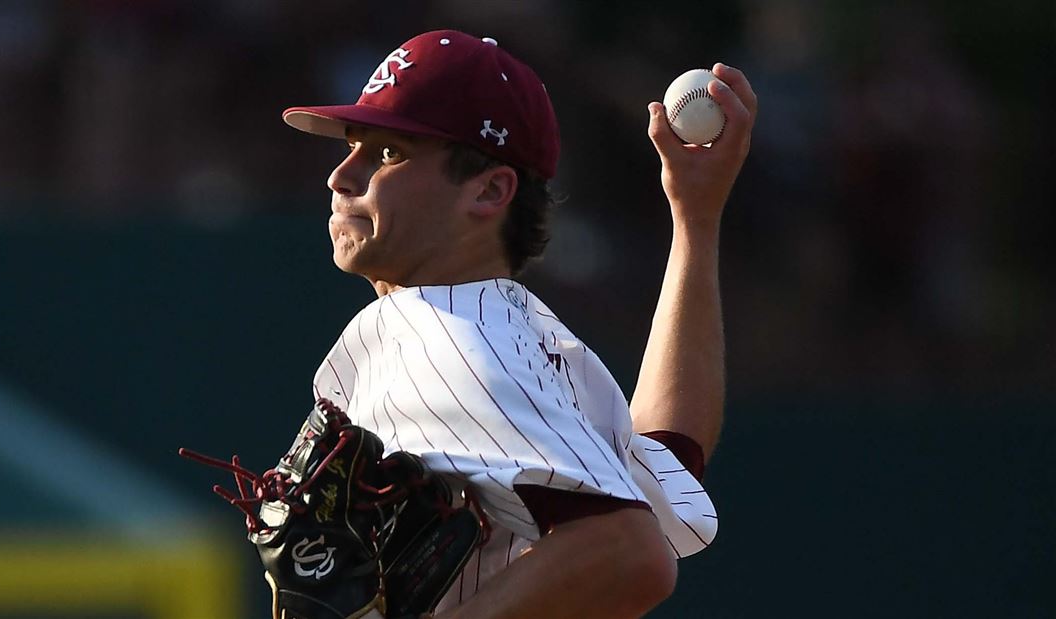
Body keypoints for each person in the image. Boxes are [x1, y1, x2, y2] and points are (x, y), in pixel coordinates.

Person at [282, 29, 756, 618]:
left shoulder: (440, 336)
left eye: (386, 154)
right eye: (351, 145)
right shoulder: (515, 338)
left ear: (489, 189)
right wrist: (695, 219)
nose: (341, 177)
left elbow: (630, 551)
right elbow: (667, 458)